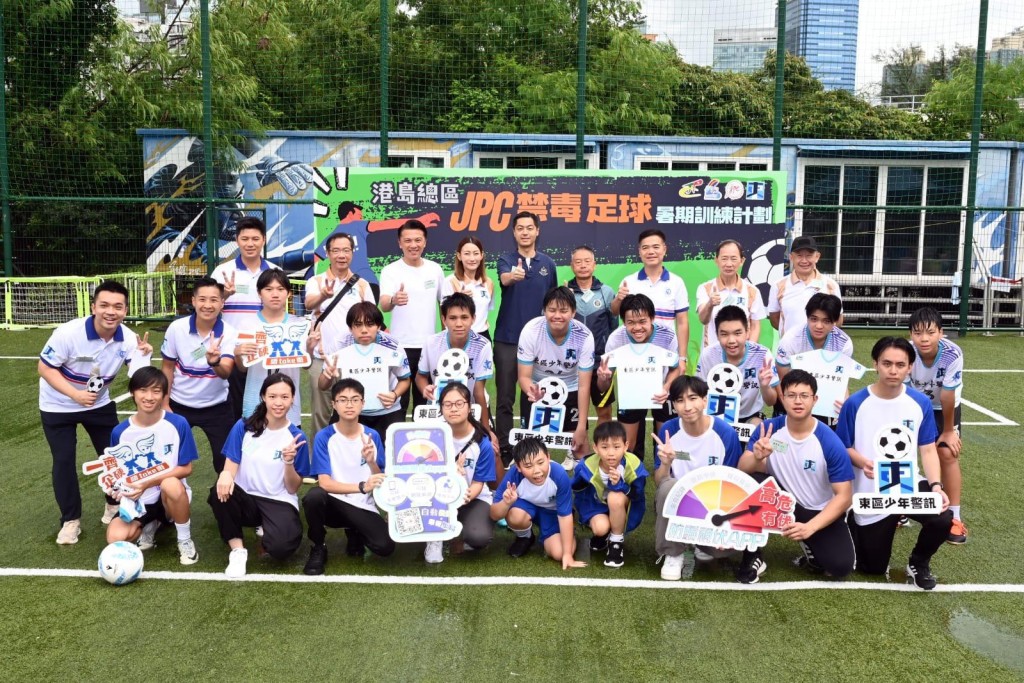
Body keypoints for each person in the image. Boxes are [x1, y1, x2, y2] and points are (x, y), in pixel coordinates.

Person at [39, 280, 153, 543]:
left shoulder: (127, 338)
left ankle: (112, 504)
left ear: (125, 310)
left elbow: (137, 376)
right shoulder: (68, 333)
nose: (110, 311)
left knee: (114, 457)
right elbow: (45, 368)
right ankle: (70, 520)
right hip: (57, 405)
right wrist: (75, 395)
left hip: (99, 405)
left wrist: (144, 356)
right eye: (104, 305)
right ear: (93, 307)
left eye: (117, 306)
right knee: (64, 460)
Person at [836, 337, 953, 590]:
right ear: (875, 364)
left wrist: (935, 485)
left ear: (910, 367)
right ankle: (853, 523)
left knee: (943, 517)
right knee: (872, 569)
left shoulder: (919, 403)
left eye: (900, 364)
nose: (893, 370)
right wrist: (862, 461)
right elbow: (842, 447)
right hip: (870, 491)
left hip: (906, 486)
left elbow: (928, 449)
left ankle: (919, 562)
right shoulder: (855, 403)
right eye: (887, 363)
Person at [737, 370, 856, 584]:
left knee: (839, 567)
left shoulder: (829, 440)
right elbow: (743, 469)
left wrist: (810, 527)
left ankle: (809, 539)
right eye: (791, 395)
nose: (798, 401)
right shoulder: (768, 428)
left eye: (804, 395)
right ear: (782, 398)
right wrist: (756, 457)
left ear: (815, 400)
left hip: (817, 510)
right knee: (753, 481)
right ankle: (753, 553)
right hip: (783, 501)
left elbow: (844, 496)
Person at [210, 373, 310, 578]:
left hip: (277, 499)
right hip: (246, 497)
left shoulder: (297, 437)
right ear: (263, 397)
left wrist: (288, 461)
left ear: (293, 399)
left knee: (282, 550)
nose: (278, 403)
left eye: (284, 397)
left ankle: (266, 526)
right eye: (272, 396)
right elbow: (230, 465)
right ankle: (237, 550)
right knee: (218, 491)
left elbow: (292, 488)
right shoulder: (244, 427)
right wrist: (225, 475)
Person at [105, 367, 200, 565]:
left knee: (171, 483)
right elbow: (118, 472)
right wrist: (116, 489)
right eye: (143, 390)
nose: (149, 397)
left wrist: (146, 483)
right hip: (140, 500)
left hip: (169, 497)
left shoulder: (178, 424)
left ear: (164, 394)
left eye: (156, 391)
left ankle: (184, 540)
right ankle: (149, 525)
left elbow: (186, 468)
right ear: (132, 392)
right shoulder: (119, 432)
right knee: (115, 538)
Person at [651, 375, 743, 581]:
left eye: (693, 398)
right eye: (680, 400)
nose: (687, 406)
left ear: (704, 400)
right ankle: (673, 553)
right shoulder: (668, 430)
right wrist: (665, 463)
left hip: (712, 503)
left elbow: (731, 482)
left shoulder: (725, 433)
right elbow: (660, 482)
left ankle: (700, 540)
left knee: (720, 551)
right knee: (669, 487)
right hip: (678, 499)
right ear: (673, 405)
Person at [302, 378, 393, 575]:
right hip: (334, 504)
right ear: (333, 404)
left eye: (354, 399)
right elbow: (324, 483)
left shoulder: (372, 436)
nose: (349, 404)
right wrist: (361, 486)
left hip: (363, 505)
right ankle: (318, 546)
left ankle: (355, 530)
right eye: (342, 400)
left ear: (363, 403)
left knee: (385, 547)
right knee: (314, 496)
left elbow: (380, 478)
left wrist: (371, 461)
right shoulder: (324, 437)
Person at [493, 211, 558, 463]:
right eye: (520, 228)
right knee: (505, 396)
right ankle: (507, 448)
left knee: (534, 395)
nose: (525, 232)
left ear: (537, 230)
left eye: (529, 228)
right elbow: (505, 278)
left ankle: (532, 448)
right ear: (514, 232)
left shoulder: (548, 264)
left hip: (539, 342)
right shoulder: (506, 259)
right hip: (507, 339)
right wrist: (512, 276)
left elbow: (552, 302)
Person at [160, 277, 238, 473]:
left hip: (217, 406)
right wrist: (165, 403)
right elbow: (167, 367)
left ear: (222, 303)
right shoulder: (177, 328)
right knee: (168, 459)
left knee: (225, 463)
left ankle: (225, 501)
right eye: (202, 299)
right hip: (179, 405)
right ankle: (162, 502)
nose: (208, 305)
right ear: (193, 301)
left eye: (214, 300)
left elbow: (226, 372)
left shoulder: (229, 333)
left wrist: (214, 362)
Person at [305, 232, 377, 434]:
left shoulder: (362, 285)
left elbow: (372, 318)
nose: (341, 255)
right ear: (327, 253)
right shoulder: (317, 281)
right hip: (323, 358)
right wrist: (323, 295)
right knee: (321, 414)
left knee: (355, 411)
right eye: (335, 250)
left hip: (355, 359)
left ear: (352, 253)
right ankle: (318, 463)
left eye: (346, 250)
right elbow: (309, 303)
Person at [907, 307, 966, 544]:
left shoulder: (953, 353)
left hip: (944, 408)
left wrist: (949, 431)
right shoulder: (906, 351)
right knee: (901, 451)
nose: (924, 338)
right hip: (912, 405)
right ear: (910, 333)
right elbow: (900, 388)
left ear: (941, 333)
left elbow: (947, 396)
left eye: (930, 332)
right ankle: (900, 507)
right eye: (918, 332)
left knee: (946, 453)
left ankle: (955, 517)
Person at [211, 216, 279, 422]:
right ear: (237, 240)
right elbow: (207, 308)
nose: (250, 244)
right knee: (235, 412)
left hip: (266, 353)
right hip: (234, 353)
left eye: (255, 239)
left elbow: (280, 313)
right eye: (245, 238)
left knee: (269, 409)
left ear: (264, 240)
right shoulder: (222, 271)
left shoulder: (275, 272)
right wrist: (224, 295)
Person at [596, 293, 679, 462]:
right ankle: (632, 479)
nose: (637, 328)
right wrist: (604, 378)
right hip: (631, 393)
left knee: (666, 441)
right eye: (630, 322)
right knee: (628, 445)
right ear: (623, 322)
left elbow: (675, 368)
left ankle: (664, 473)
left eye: (642, 321)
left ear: (652, 319)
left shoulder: (667, 335)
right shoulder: (616, 339)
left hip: (661, 392)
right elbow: (602, 386)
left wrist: (667, 387)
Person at [517, 286, 596, 463]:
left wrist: (582, 426)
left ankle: (586, 487)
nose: (557, 315)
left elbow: (584, 385)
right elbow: (523, 376)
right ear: (544, 311)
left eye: (563, 310)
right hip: (538, 390)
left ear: (573, 312)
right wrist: (532, 392)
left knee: (580, 448)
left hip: (571, 388)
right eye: (552, 310)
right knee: (530, 449)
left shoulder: (584, 336)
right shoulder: (531, 331)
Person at [379, 219, 445, 417]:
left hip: (429, 346)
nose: (413, 245)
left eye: (418, 240)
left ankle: (424, 444)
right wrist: (393, 299)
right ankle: (395, 442)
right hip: (400, 347)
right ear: (400, 243)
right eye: (407, 241)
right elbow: (383, 305)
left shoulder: (435, 269)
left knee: (425, 402)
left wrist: (444, 340)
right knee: (398, 401)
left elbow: (444, 306)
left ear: (425, 242)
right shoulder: (390, 270)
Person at [490, 437, 586, 570]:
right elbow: (494, 514)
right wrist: (506, 503)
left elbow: (564, 516)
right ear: (518, 467)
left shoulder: (559, 474)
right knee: (515, 515)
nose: (537, 470)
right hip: (526, 508)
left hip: (553, 513)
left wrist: (568, 554)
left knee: (559, 553)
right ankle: (525, 537)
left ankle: (567, 535)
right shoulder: (514, 475)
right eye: (528, 466)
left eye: (540, 462)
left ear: (548, 457)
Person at [415, 292, 498, 446]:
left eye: (464, 317)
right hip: (439, 408)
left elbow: (478, 391)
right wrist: (424, 388)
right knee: (435, 450)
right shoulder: (431, 343)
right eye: (453, 318)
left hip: (472, 407)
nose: (459, 323)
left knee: (490, 448)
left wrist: (486, 430)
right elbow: (421, 376)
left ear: (473, 318)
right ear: (443, 319)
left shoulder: (482, 345)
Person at [429, 382, 497, 563]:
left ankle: (459, 534)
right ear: (441, 408)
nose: (453, 409)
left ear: (469, 407)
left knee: (479, 537)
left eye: (459, 404)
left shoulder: (482, 442)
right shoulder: (432, 437)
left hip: (472, 498)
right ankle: (436, 537)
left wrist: (459, 494)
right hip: (437, 497)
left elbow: (478, 484)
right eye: (447, 404)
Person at [320, 302, 411, 437]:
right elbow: (322, 385)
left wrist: (395, 394)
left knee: (390, 455)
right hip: (351, 411)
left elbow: (405, 379)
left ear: (379, 326)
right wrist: (328, 375)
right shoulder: (340, 343)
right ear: (350, 327)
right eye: (358, 325)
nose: (364, 330)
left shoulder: (393, 345)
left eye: (370, 324)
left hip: (387, 411)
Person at [570, 421, 647, 569]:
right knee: (600, 528)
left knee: (614, 496)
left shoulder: (634, 464)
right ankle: (604, 535)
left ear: (626, 446)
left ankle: (616, 542)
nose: (611, 453)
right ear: (595, 448)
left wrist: (621, 485)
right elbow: (576, 489)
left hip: (622, 504)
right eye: (604, 447)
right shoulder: (587, 465)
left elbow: (637, 495)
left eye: (616, 447)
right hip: (597, 504)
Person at [611, 229, 690, 366]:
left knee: (665, 387)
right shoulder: (629, 281)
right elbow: (614, 312)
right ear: (639, 251)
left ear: (664, 249)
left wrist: (682, 358)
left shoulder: (677, 282)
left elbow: (682, 322)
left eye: (656, 247)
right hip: (634, 350)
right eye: (645, 248)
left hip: (665, 350)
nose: (651, 252)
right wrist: (619, 298)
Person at [237, 270, 305, 428]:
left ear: (288, 293)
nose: (275, 294)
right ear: (259, 293)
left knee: (289, 450)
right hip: (254, 401)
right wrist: (238, 353)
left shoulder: (298, 324)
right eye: (268, 289)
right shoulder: (247, 324)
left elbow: (306, 364)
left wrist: (310, 346)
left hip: (288, 405)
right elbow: (242, 367)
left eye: (280, 289)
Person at [696, 305, 776, 426]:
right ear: (717, 334)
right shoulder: (708, 354)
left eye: (737, 333)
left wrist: (765, 386)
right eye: (724, 334)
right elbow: (698, 393)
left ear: (747, 332)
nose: (731, 340)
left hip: (751, 416)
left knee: (757, 429)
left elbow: (771, 402)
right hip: (717, 417)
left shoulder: (762, 354)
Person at [567, 245, 617, 427]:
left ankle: (604, 451)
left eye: (587, 261)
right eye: (578, 262)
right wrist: (567, 299)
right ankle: (576, 454)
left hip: (599, 362)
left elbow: (613, 327)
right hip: (572, 362)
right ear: (572, 266)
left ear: (594, 265)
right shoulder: (565, 292)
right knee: (574, 413)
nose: (582, 265)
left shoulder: (607, 292)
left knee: (604, 411)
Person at [695, 239, 766, 348]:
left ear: (742, 261)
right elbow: (703, 319)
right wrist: (710, 304)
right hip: (712, 356)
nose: (729, 264)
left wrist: (749, 352)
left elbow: (755, 326)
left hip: (741, 356)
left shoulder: (752, 291)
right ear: (716, 260)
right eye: (724, 259)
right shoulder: (705, 288)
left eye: (733, 259)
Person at [767, 235, 842, 337]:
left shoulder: (831, 285)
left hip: (821, 350)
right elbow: (775, 319)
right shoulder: (778, 286)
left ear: (817, 257)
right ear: (791, 257)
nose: (804, 261)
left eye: (809, 255)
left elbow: (838, 318)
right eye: (799, 255)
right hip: (791, 350)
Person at [441, 236, 495, 340]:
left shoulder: (488, 282)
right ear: (459, 256)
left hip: (482, 336)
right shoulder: (450, 281)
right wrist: (458, 299)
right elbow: (445, 314)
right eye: (467, 254)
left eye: (476, 253)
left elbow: (485, 312)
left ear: (481, 255)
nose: (472, 258)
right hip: (458, 337)